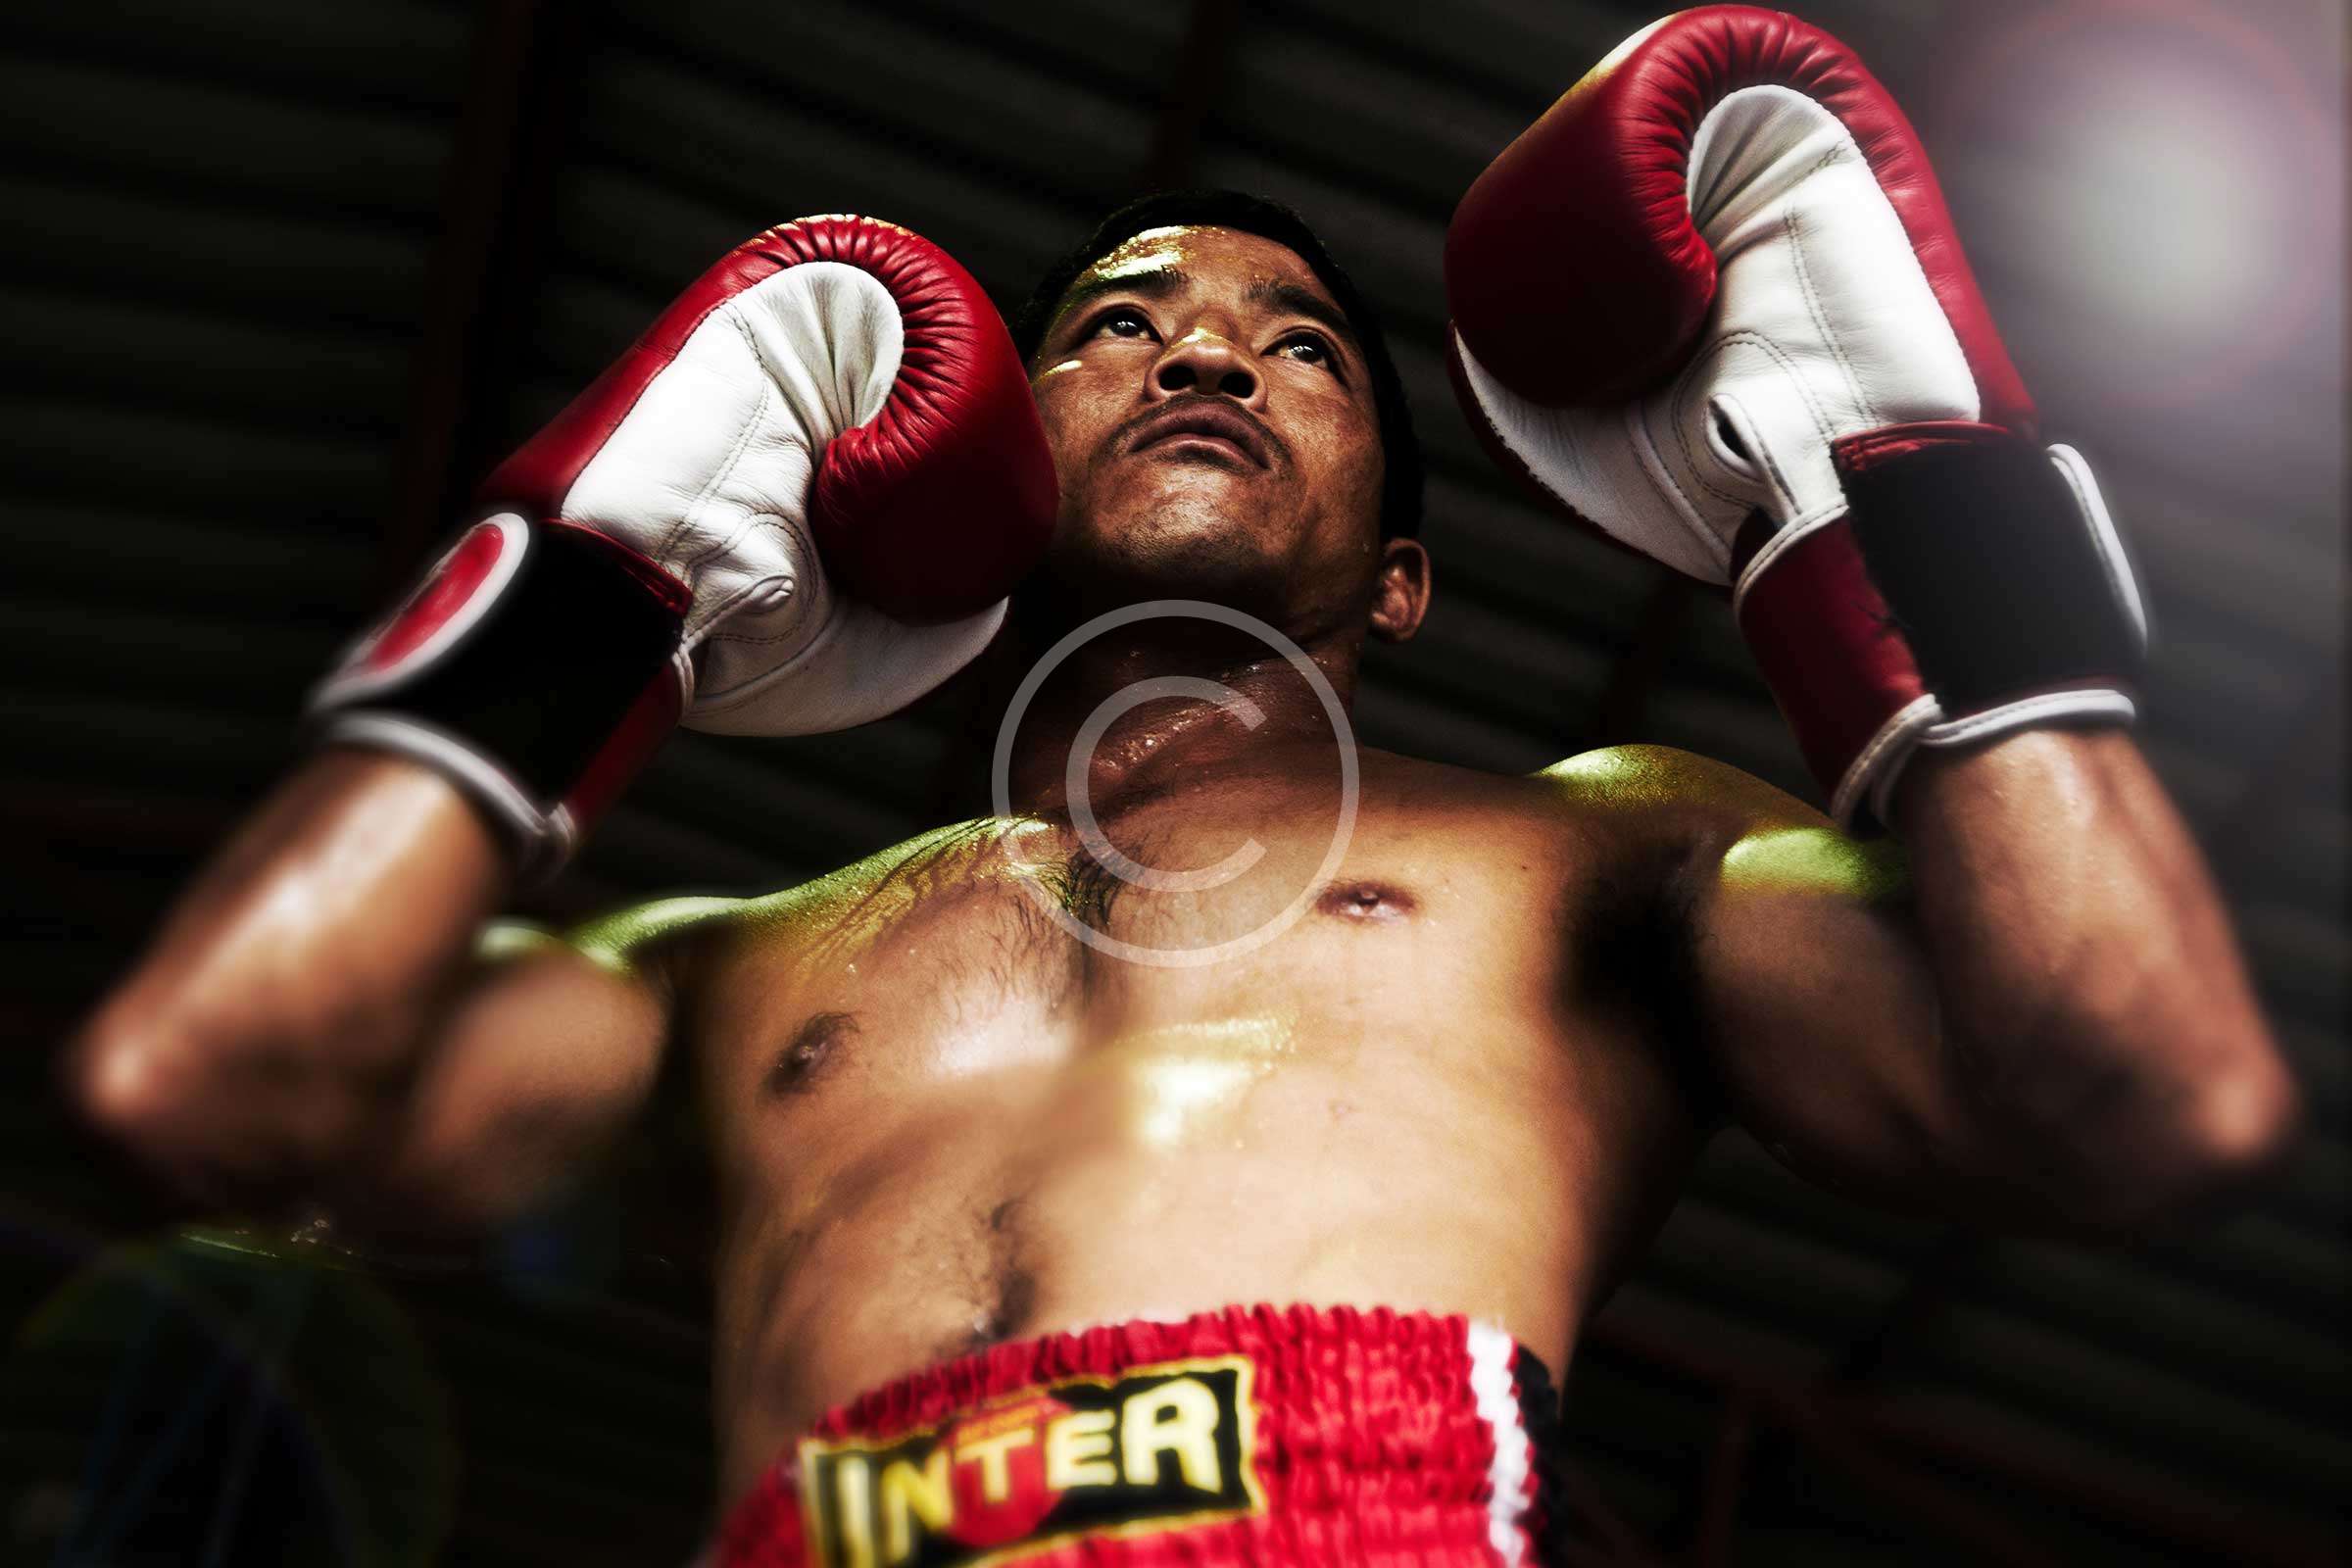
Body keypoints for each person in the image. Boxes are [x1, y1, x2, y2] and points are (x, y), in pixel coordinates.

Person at [67, 10, 2297, 1565]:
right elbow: (217, 1083)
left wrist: (1895, 479)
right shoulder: (741, 969)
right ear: (989, 471)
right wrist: (592, 584)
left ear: (1403, 575)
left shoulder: (1602, 845)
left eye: (1301, 344)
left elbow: (2136, 1082)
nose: (1209, 348)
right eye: (1119, 326)